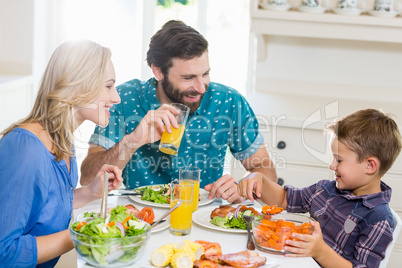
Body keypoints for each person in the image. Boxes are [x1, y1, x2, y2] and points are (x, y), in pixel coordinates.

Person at [80, 20, 277, 203]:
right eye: (188, 77)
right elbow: (88, 179)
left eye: (205, 74)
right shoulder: (124, 99)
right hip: (141, 218)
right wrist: (132, 142)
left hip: (205, 216)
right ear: (158, 71)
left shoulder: (228, 101)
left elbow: (265, 169)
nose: (201, 87)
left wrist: (244, 185)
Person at [0, 40, 123, 267]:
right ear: (78, 88)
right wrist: (84, 234)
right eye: (108, 86)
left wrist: (89, 193)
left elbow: (43, 211)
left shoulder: (63, 140)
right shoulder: (25, 149)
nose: (117, 98)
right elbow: (4, 252)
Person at [237, 108, 402, 268]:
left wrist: (320, 252)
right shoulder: (326, 190)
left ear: (370, 165)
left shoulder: (378, 219)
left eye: (339, 160)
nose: (331, 165)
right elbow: (283, 199)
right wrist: (260, 179)